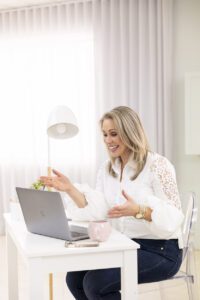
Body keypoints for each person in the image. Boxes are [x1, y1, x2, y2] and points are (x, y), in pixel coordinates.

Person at [40, 106, 184, 300]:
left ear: (129, 132)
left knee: (95, 284)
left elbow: (173, 218)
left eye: (114, 134)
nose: (108, 140)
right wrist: (70, 189)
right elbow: (99, 210)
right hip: (123, 245)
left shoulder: (158, 165)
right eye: (105, 134)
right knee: (73, 279)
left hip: (161, 251)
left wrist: (139, 211)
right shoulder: (107, 169)